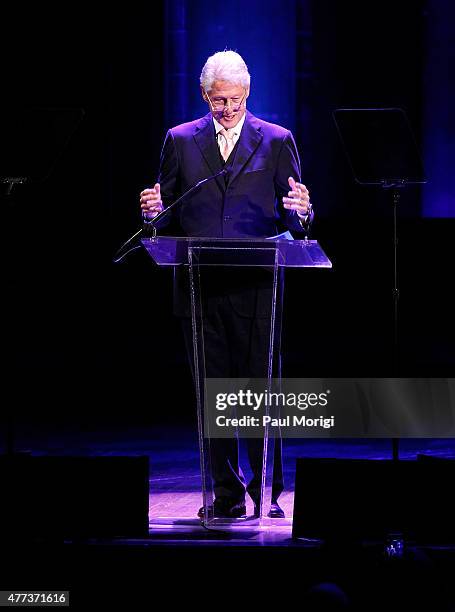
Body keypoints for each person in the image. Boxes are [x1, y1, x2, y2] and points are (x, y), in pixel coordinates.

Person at [140, 50, 313, 519]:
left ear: (248, 94)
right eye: (219, 101)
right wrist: (153, 215)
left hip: (258, 289)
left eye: (235, 101)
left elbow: (296, 218)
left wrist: (302, 213)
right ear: (204, 95)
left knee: (257, 394)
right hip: (200, 289)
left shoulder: (277, 141)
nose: (228, 110)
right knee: (212, 393)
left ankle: (266, 492)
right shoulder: (179, 141)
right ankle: (227, 493)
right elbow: (167, 209)